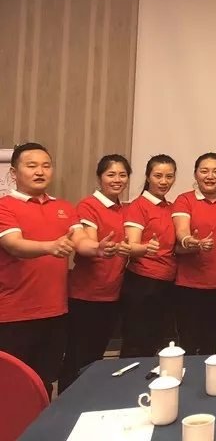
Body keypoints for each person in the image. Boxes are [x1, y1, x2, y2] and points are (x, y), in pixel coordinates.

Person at [0, 143, 114, 395]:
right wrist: (50, 246)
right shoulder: (5, 206)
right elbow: (13, 244)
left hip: (56, 311)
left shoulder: (63, 207)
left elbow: (80, 240)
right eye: (32, 166)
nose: (40, 171)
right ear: (14, 173)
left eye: (46, 166)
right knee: (11, 386)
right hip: (14, 314)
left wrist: (97, 248)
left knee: (45, 380)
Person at [59, 154, 131, 391]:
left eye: (122, 175)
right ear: (100, 177)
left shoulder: (124, 209)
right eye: (111, 174)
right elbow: (86, 242)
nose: (117, 180)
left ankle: (87, 401)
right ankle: (68, 403)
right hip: (86, 295)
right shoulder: (88, 205)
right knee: (78, 357)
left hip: (112, 293)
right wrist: (99, 248)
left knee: (96, 357)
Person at [172, 153, 216, 355]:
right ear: (195, 174)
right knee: (188, 341)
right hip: (188, 284)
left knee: (211, 341)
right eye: (204, 171)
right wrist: (190, 241)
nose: (210, 176)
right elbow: (181, 230)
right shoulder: (185, 199)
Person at [119, 154, 178, 358]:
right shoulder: (139, 206)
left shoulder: (171, 208)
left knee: (156, 343)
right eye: (158, 176)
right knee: (137, 344)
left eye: (169, 176)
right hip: (142, 283)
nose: (164, 181)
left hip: (167, 281)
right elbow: (131, 246)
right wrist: (146, 248)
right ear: (147, 176)